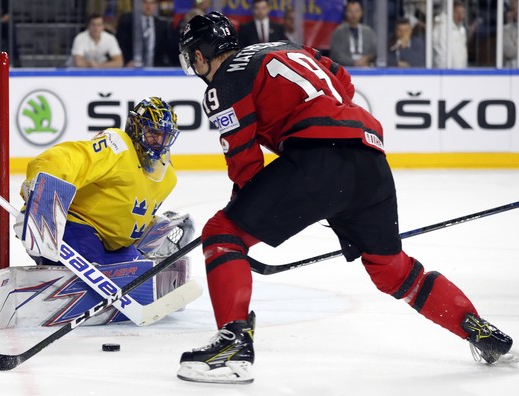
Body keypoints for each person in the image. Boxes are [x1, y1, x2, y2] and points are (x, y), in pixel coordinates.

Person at [176, 11, 513, 384]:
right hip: (370, 159)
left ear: (200, 56)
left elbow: (245, 163)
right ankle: (476, 329)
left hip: (317, 159)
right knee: (391, 269)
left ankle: (232, 347)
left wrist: (245, 224)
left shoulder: (225, 81)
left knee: (223, 234)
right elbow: (344, 83)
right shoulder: (289, 47)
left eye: (192, 58)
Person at [0, 97, 195, 328]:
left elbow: (130, 208)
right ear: (135, 128)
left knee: (134, 272)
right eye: (152, 133)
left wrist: (152, 230)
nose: (158, 142)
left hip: (115, 244)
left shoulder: (168, 177)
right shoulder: (117, 145)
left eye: (165, 136)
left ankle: (144, 256)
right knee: (81, 271)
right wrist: (42, 191)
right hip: (75, 226)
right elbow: (66, 158)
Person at [116, 0, 178, 67]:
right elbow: (120, 44)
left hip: (156, 68)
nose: (148, 6)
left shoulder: (162, 25)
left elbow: (168, 49)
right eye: (145, 2)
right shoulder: (127, 20)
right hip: (131, 67)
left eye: (152, 3)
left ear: (156, 5)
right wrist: (127, 62)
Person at [329, 0, 377, 67]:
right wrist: (353, 63)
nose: (353, 14)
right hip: (345, 70)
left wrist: (367, 58)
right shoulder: (338, 32)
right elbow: (336, 55)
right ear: (345, 13)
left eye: (356, 11)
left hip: (366, 70)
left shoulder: (369, 32)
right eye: (350, 11)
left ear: (362, 13)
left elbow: (374, 52)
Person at [432, 0, 469, 68]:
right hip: (447, 73)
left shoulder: (461, 29)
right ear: (451, 12)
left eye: (462, 13)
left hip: (460, 73)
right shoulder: (442, 27)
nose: (460, 16)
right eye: (457, 13)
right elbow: (441, 54)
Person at [504, 0, 518, 67]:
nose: (516, 12)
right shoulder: (505, 30)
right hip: (511, 70)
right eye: (514, 9)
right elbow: (509, 52)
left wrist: (516, 44)